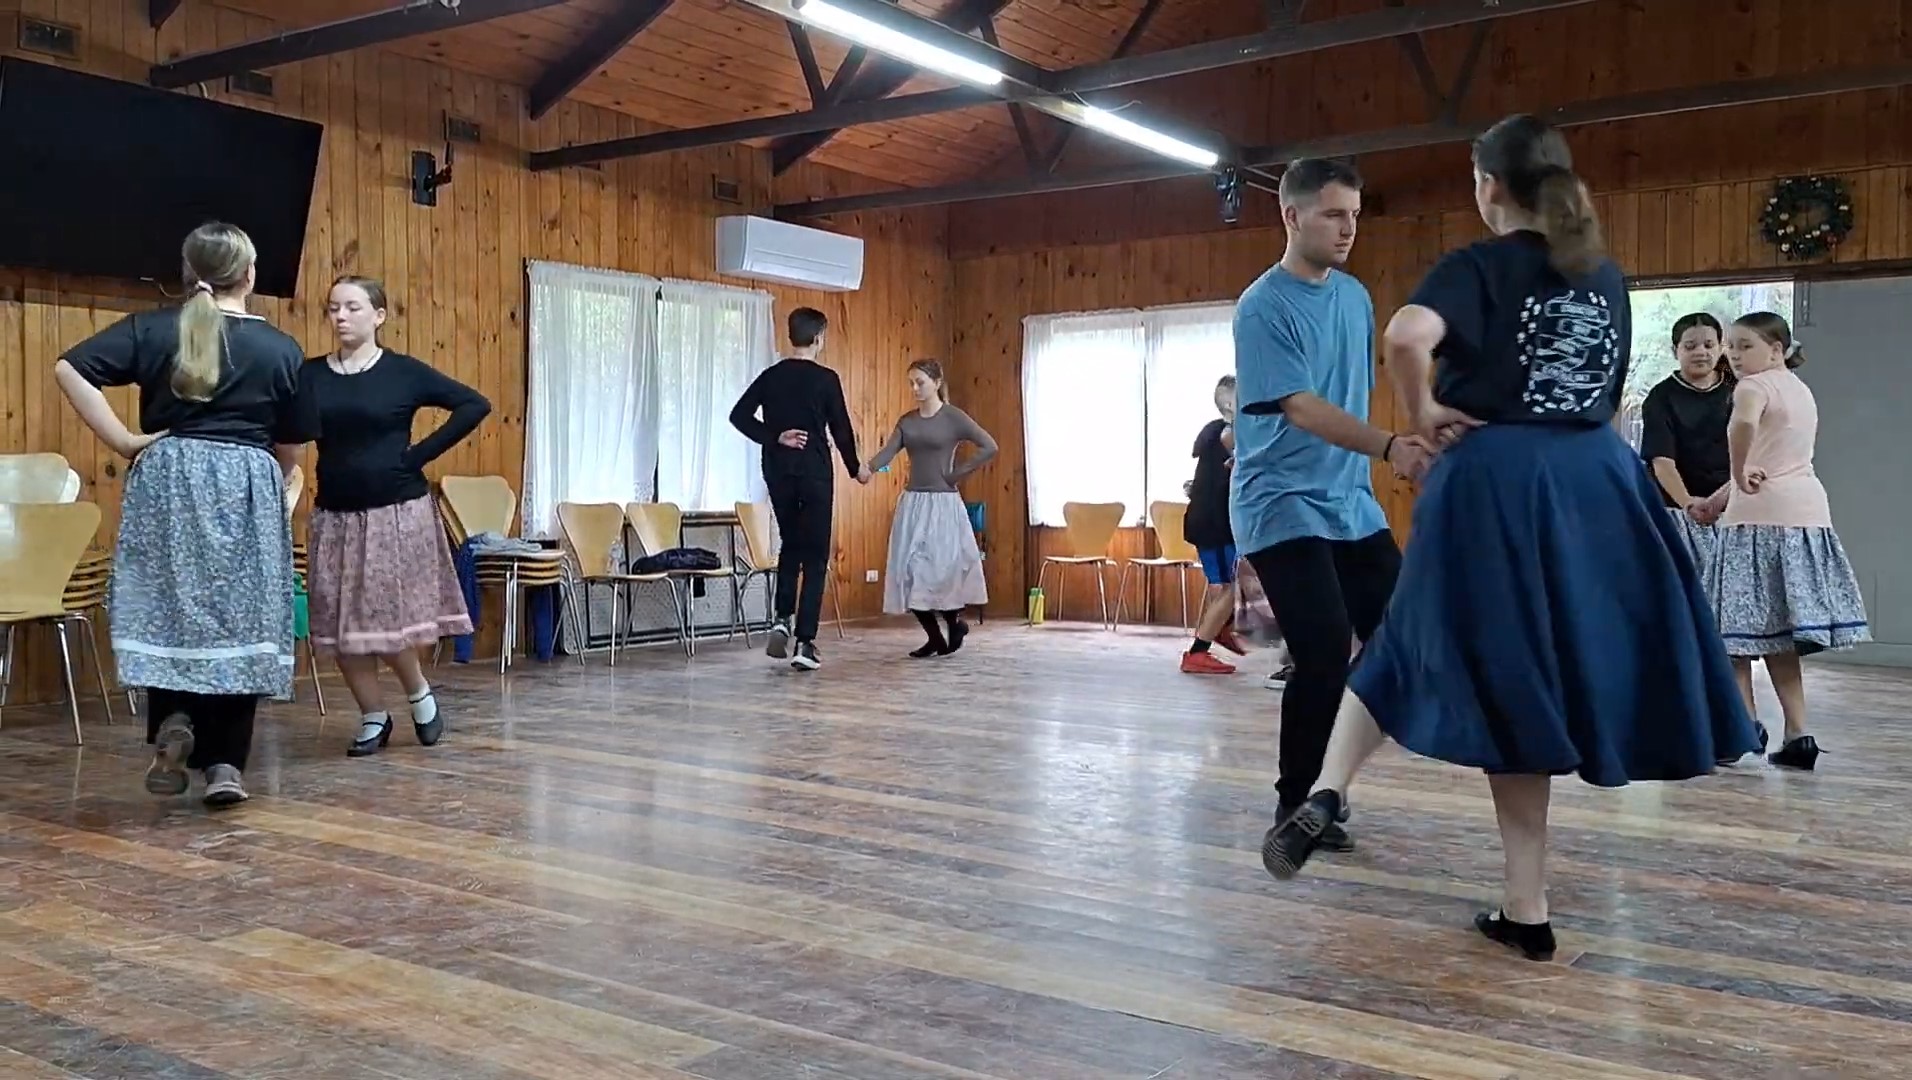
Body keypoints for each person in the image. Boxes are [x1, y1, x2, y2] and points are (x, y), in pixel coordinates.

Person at [1257, 115, 1757, 962]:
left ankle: (1331, 786)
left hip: (1493, 477)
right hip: (1594, 480)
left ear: (1488, 186)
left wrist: (1422, 412)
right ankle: (1526, 910)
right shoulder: (1601, 272)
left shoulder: (1476, 266)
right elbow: (1605, 396)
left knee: (1411, 641)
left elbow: (1406, 336)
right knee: (1531, 677)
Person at [53, 222, 317, 808]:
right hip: (245, 481)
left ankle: (172, 722)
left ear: (187, 273)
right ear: (249, 275)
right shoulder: (280, 348)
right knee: (240, 619)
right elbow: (292, 444)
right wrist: (278, 482)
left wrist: (125, 441)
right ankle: (225, 765)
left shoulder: (152, 328)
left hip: (168, 480)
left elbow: (70, 368)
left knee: (169, 606)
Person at [1232, 158, 1431, 853]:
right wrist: (1390, 446)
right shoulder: (1263, 306)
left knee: (1403, 633)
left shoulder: (1354, 296)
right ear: (1292, 216)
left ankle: (1334, 776)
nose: (1348, 229)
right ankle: (1298, 804)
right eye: (1333, 215)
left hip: (1349, 500)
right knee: (1321, 652)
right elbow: (1301, 406)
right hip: (1279, 502)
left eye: (1354, 215)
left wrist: (1421, 430)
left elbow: (1359, 389)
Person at [303, 275, 488, 757]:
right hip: (334, 516)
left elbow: (474, 405)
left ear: (379, 316)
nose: (341, 316)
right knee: (342, 627)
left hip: (394, 513)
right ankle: (373, 715)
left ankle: (419, 694)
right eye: (333, 308)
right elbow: (286, 430)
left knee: (383, 620)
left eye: (352, 307)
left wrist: (417, 456)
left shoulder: (402, 372)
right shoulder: (311, 375)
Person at [1697, 312, 1869, 770]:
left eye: (1745, 346)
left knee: (1729, 636)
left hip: (1756, 525)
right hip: (1804, 517)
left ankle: (1742, 728)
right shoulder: (1799, 390)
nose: (1734, 355)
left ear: (1776, 350)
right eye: (1731, 346)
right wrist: (1717, 500)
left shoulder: (1752, 387)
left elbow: (1742, 430)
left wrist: (1737, 473)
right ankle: (1798, 734)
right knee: (1779, 639)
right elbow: (1773, 460)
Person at [1639, 312, 1763, 762]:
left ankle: (1741, 721)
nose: (1701, 352)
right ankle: (1692, 721)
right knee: (1686, 620)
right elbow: (1661, 462)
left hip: (1734, 514)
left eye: (1709, 344)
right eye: (1690, 345)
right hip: (1680, 516)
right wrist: (1691, 504)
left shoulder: (1739, 392)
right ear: (1676, 350)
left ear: (1721, 347)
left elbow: (1754, 453)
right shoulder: (1661, 398)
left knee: (1732, 627)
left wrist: (1723, 500)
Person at [730, 307, 866, 671]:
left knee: (791, 544)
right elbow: (841, 430)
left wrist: (775, 436)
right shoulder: (826, 379)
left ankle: (781, 618)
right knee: (816, 555)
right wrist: (856, 469)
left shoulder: (771, 376)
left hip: (778, 469)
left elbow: (738, 416)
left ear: (791, 336)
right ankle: (805, 642)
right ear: (819, 338)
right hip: (814, 471)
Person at [867, 359, 996, 657]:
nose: (914, 388)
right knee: (910, 570)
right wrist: (867, 469)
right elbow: (888, 452)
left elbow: (989, 445)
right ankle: (935, 638)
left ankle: (954, 625)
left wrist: (956, 474)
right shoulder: (907, 422)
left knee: (940, 572)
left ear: (937, 383)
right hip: (913, 504)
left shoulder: (953, 417)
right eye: (911, 383)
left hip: (943, 505)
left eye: (920, 382)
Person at [1181, 374, 1247, 674]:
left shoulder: (1217, 433)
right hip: (1214, 525)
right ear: (1231, 405)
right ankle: (1198, 651)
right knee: (1231, 587)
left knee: (1235, 585)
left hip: (1211, 521)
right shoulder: (1228, 435)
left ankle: (1219, 628)